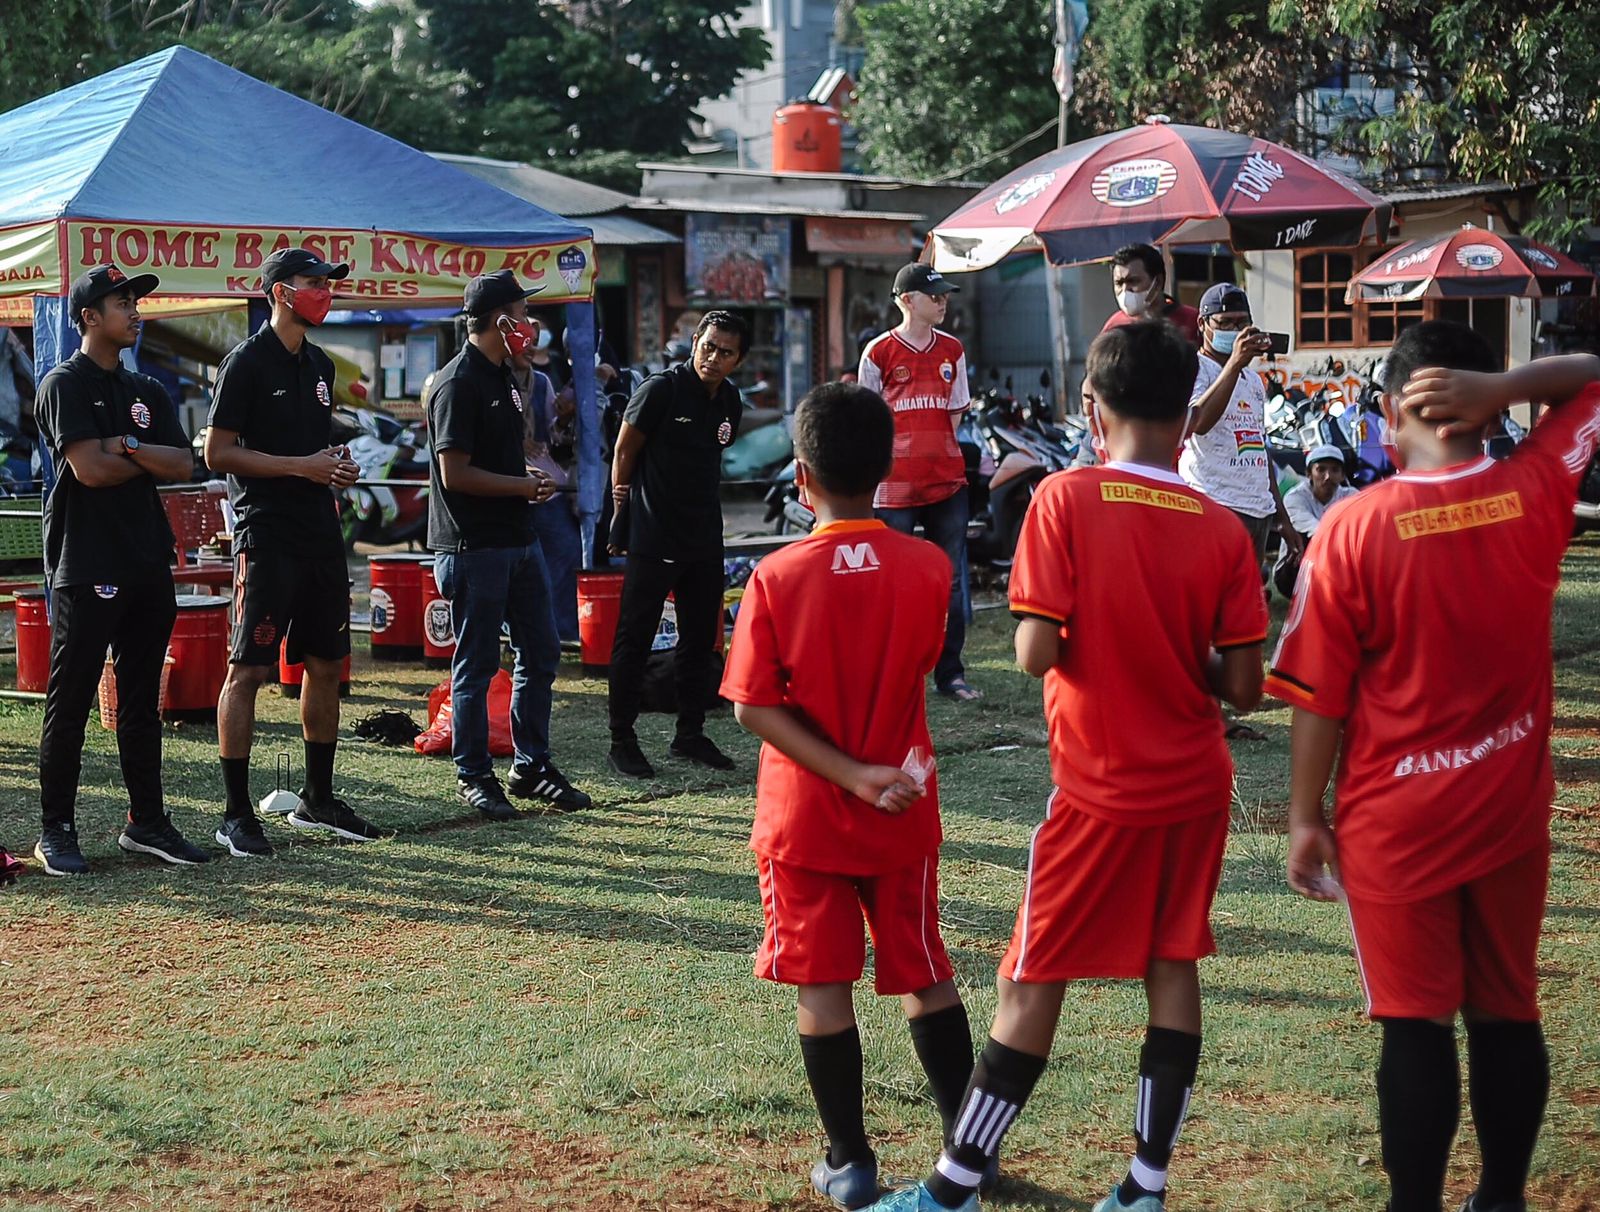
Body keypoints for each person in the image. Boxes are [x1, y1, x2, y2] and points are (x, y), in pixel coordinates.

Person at [864, 321, 1268, 1212]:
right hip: (1198, 785)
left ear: (1092, 406)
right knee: (1173, 963)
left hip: (1102, 785)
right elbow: (1244, 686)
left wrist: (1107, 630)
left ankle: (953, 1186)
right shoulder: (1220, 527)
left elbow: (1037, 651)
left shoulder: (1064, 498)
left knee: (1029, 974)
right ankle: (1144, 1187)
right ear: (1185, 413)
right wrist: (1170, 648)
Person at [1269, 324, 1600, 1212]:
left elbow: (1319, 699)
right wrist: (1508, 388)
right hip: (1510, 807)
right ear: (1477, 399)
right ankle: (1500, 1197)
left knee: (1413, 1023)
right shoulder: (1536, 487)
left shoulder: (1350, 530)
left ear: (1386, 414)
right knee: (1506, 1007)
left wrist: (1306, 819)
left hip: (1393, 825)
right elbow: (1593, 379)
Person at [722, 382, 988, 1211]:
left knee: (822, 983)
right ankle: (965, 1154)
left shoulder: (776, 575)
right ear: (886, 470)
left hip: (806, 818)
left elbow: (752, 705)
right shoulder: (930, 565)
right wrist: (875, 773)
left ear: (800, 475)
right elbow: (918, 663)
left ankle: (849, 1162)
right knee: (926, 971)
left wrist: (847, 776)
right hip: (902, 808)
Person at [32, 264, 207, 876]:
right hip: (87, 563)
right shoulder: (63, 383)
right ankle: (56, 829)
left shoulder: (149, 392)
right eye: (121, 301)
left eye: (136, 300)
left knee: (139, 701)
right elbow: (89, 471)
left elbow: (183, 464)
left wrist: (124, 445)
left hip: (145, 559)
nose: (135, 310)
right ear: (88, 317)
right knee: (73, 698)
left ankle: (147, 824)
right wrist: (136, 456)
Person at [205, 246, 377, 857]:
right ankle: (234, 813)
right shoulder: (245, 363)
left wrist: (334, 467)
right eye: (313, 283)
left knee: (327, 664)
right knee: (248, 670)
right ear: (281, 292)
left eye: (329, 284)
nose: (325, 293)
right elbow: (217, 453)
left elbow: (314, 450)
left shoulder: (323, 366)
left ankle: (318, 799)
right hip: (266, 534)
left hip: (319, 534)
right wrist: (299, 468)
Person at [427, 270, 592, 819]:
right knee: (476, 665)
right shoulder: (458, 382)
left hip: (518, 537)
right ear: (500, 321)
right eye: (522, 314)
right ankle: (473, 775)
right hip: (474, 545)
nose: (529, 325)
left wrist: (526, 477)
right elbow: (455, 474)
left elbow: (492, 460)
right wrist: (522, 485)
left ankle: (531, 766)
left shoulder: (504, 376)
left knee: (541, 651)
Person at [605, 310, 747, 778]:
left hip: (704, 537)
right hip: (654, 535)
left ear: (737, 360)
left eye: (725, 352)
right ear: (694, 345)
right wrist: (622, 509)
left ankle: (690, 735)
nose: (713, 357)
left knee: (699, 640)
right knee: (635, 637)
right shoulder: (660, 389)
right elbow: (625, 449)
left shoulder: (730, 400)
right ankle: (621, 739)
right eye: (708, 346)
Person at [857, 263, 980, 702]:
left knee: (948, 579)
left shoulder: (953, 349)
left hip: (947, 481)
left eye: (946, 295)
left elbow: (955, 412)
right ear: (906, 300)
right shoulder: (878, 351)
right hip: (893, 487)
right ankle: (894, 673)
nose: (943, 302)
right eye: (935, 296)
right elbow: (868, 422)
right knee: (893, 580)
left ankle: (951, 675)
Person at [1182, 283, 1301, 573]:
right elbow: (1198, 423)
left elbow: (1260, 450)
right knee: (1214, 600)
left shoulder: (1253, 379)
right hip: (1214, 503)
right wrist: (1234, 364)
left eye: (1242, 323)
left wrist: (1280, 515)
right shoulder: (1194, 367)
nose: (1234, 330)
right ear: (1203, 324)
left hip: (1256, 508)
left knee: (1247, 602)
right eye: (1224, 323)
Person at [509, 321, 582, 644]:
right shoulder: (491, 380)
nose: (529, 348)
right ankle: (518, 632)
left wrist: (566, 417)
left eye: (533, 343)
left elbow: (555, 435)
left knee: (565, 552)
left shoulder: (539, 383)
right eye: (524, 342)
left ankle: (561, 630)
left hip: (546, 487)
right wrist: (515, 441)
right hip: (507, 486)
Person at [1272, 443, 1357, 597]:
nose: (1328, 476)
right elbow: (1317, 530)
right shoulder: (1295, 497)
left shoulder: (1351, 496)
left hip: (1338, 563)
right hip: (1293, 573)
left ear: (1343, 475)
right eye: (1321, 469)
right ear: (1309, 473)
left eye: (1334, 470)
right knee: (1306, 538)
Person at [1099, 244, 1200, 346]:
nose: (1125, 289)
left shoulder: (1192, 320)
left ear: (1158, 282)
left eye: (1133, 281)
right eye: (1119, 283)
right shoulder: (1115, 325)